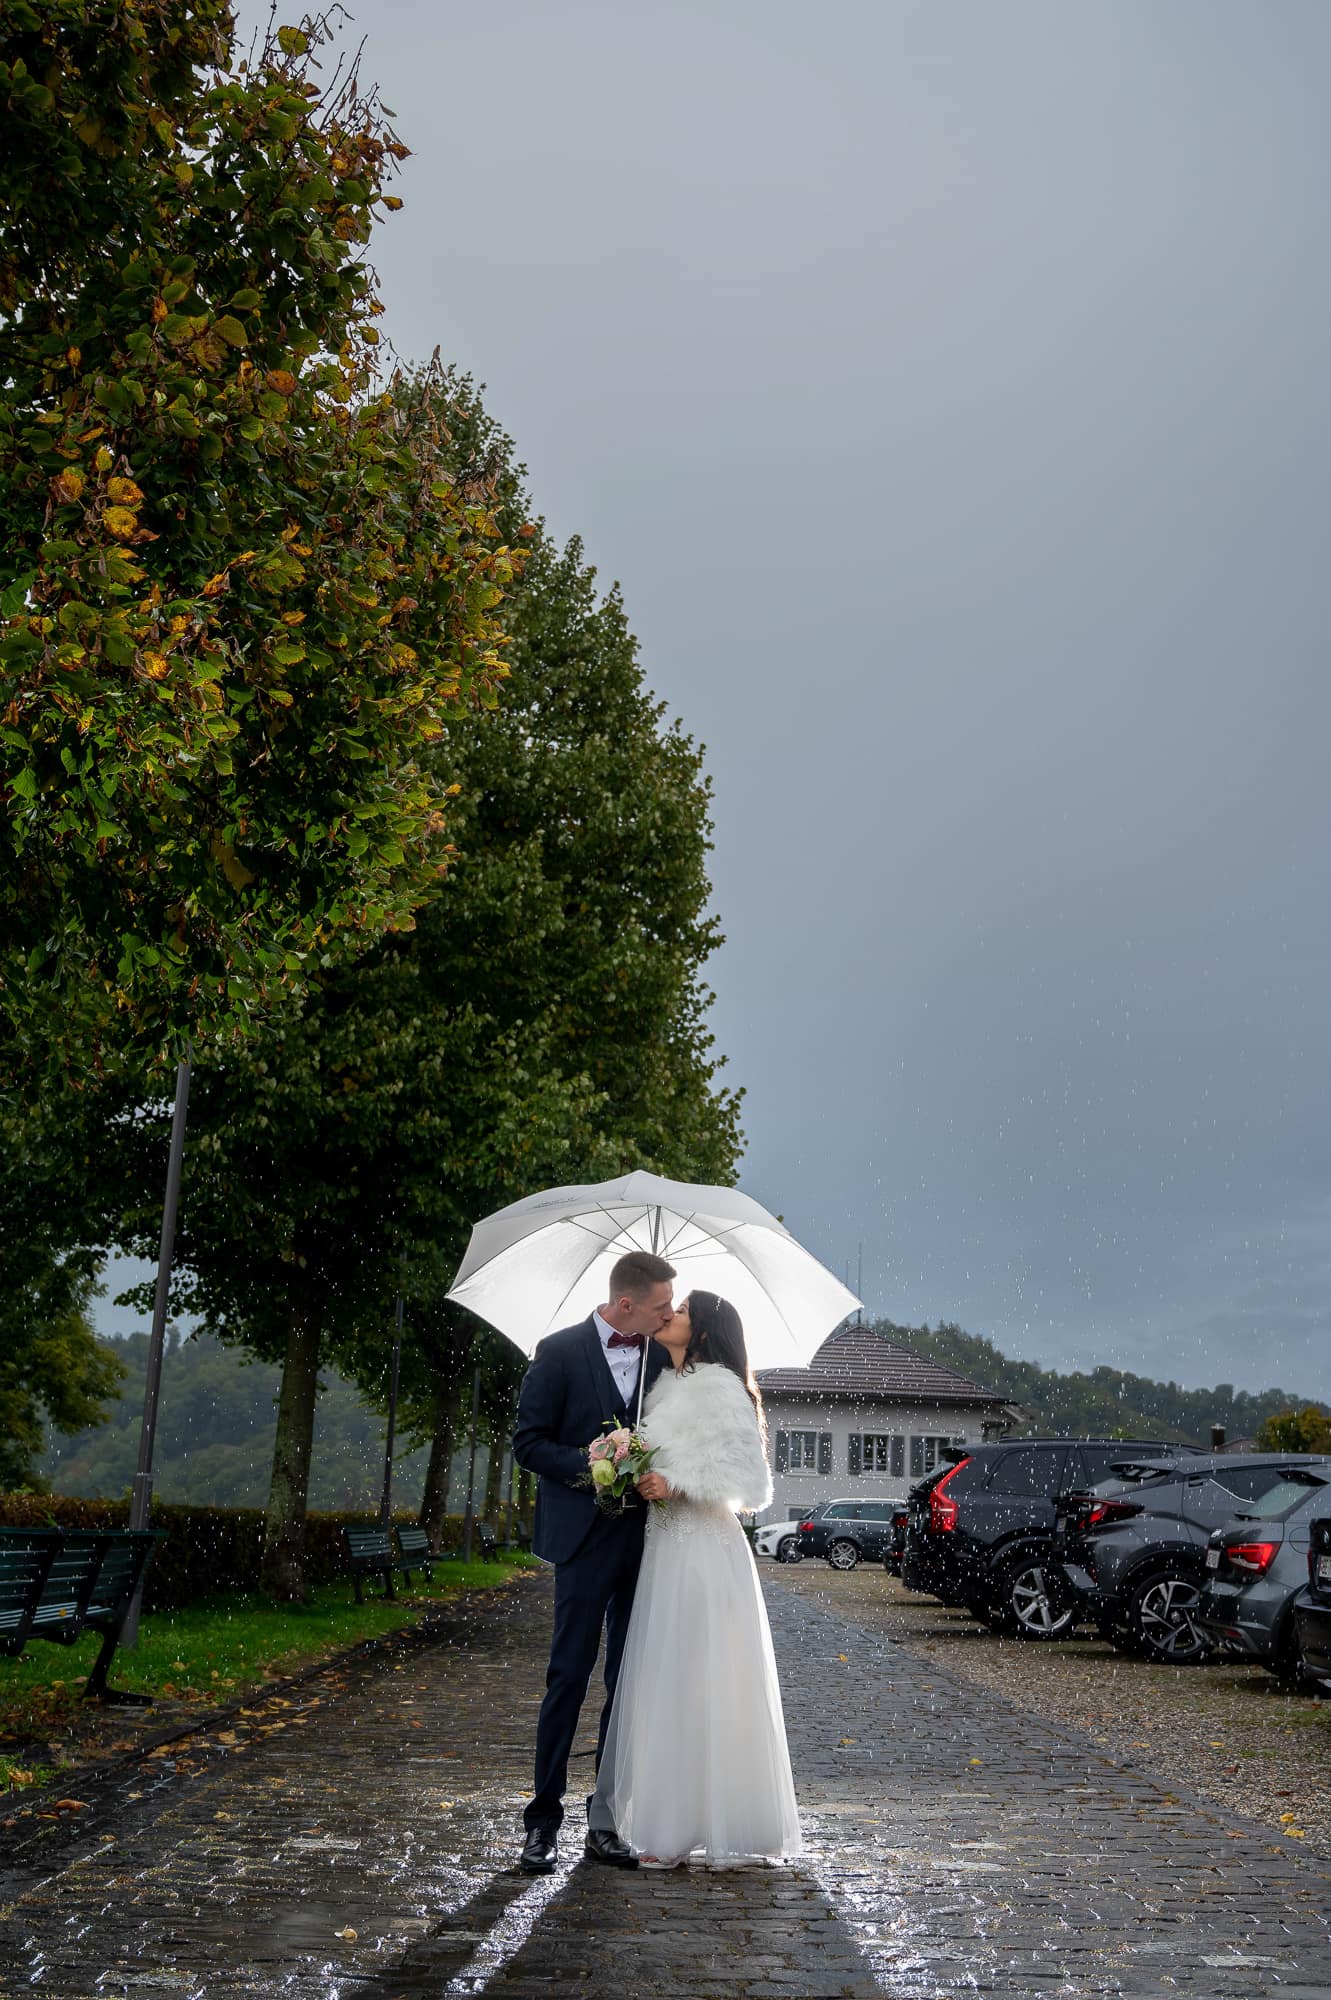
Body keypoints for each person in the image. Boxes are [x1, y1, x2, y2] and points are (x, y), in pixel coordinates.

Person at [591, 1289, 802, 1868]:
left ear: (703, 1330)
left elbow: (751, 1482)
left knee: (701, 1677)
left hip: (704, 1551)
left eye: (680, 1310)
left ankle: (707, 1822)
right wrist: (628, 1459)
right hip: (664, 1549)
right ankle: (672, 1820)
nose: (669, 1315)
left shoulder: (721, 1388)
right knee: (667, 1677)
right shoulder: (664, 1389)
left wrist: (677, 1483)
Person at [511, 1248, 677, 1874]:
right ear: (626, 1303)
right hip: (580, 1541)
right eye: (661, 1307)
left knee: (625, 1684)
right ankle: (541, 1823)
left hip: (646, 1541)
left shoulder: (663, 1359)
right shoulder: (556, 1351)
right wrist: (591, 1463)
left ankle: (605, 1820)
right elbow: (528, 1442)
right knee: (568, 1678)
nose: (668, 1317)